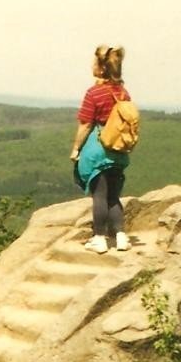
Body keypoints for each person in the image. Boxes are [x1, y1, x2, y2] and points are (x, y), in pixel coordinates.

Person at [69, 46, 132, 253]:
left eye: (94, 63)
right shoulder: (123, 92)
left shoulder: (94, 93)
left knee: (99, 195)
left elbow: (86, 124)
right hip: (119, 150)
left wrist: (76, 148)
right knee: (113, 195)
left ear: (102, 68)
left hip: (99, 150)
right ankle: (121, 237)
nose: (91, 66)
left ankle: (99, 238)